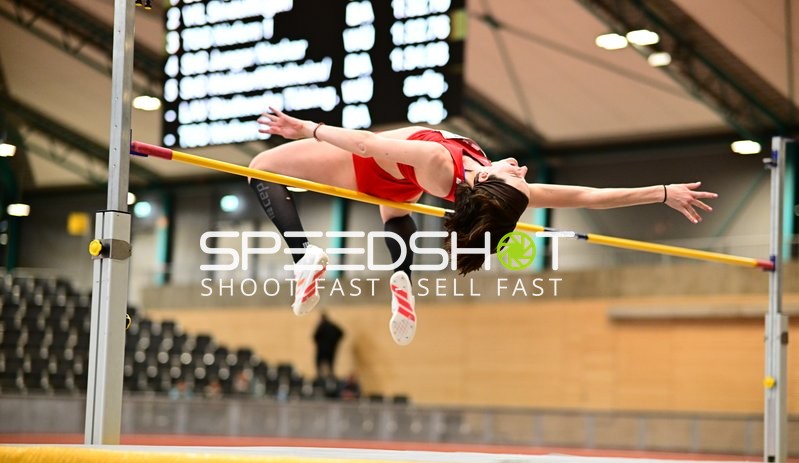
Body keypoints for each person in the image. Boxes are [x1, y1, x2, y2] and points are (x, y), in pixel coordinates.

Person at [249, 107, 717, 345]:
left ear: (494, 182)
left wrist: (308, 128)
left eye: (515, 173)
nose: (522, 169)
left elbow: (368, 146)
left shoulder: (438, 160)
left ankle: (303, 253)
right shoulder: (490, 187)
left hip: (372, 165)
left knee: (262, 167)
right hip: (402, 189)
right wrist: (660, 192)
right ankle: (402, 276)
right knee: (395, 209)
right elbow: (588, 197)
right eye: (521, 176)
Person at [313, 309, 343, 380]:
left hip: (324, 349)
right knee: (329, 363)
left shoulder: (321, 326)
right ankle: (325, 375)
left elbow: (315, 337)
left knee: (321, 362)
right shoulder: (331, 326)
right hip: (329, 348)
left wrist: (334, 342)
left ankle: (321, 376)